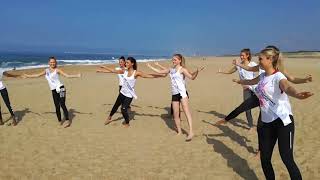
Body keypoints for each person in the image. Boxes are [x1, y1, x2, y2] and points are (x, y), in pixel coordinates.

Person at [233, 47, 313, 180]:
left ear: (270, 60)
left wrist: (297, 94)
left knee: (287, 159)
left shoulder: (279, 76)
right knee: (265, 159)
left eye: (260, 59)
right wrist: (241, 81)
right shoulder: (263, 75)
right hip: (266, 123)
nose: (258, 61)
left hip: (283, 121)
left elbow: (287, 87)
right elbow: (253, 81)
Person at [146, 54, 204, 141]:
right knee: (176, 114)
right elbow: (159, 72)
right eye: (173, 59)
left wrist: (197, 72)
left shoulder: (182, 70)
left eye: (175, 59)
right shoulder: (171, 70)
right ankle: (179, 132)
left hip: (182, 93)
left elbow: (192, 77)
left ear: (180, 60)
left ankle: (191, 132)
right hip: (174, 94)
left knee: (186, 111)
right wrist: (150, 66)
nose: (173, 61)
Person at [96, 57, 164, 127]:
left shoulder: (136, 73)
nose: (126, 64)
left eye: (127, 62)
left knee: (123, 109)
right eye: (126, 62)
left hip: (129, 95)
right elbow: (113, 71)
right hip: (122, 93)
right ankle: (109, 117)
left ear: (132, 64)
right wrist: (104, 67)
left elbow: (148, 76)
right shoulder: (124, 71)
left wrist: (161, 76)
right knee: (115, 106)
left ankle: (127, 122)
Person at [23, 57, 81, 128]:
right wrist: (27, 76)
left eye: (54, 62)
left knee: (62, 104)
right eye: (51, 62)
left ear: (55, 63)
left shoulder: (57, 70)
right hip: (53, 90)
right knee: (57, 106)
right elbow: (37, 75)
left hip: (61, 88)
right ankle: (59, 120)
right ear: (49, 63)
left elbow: (67, 76)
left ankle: (67, 120)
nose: (52, 63)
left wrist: (77, 75)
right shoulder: (46, 71)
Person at [217, 48, 257, 130]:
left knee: (263, 107)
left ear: (247, 55)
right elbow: (230, 71)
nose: (241, 56)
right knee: (247, 107)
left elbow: (262, 71)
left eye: (243, 55)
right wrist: (221, 72)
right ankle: (250, 125)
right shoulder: (238, 66)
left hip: (256, 88)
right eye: (240, 55)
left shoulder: (252, 64)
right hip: (246, 89)